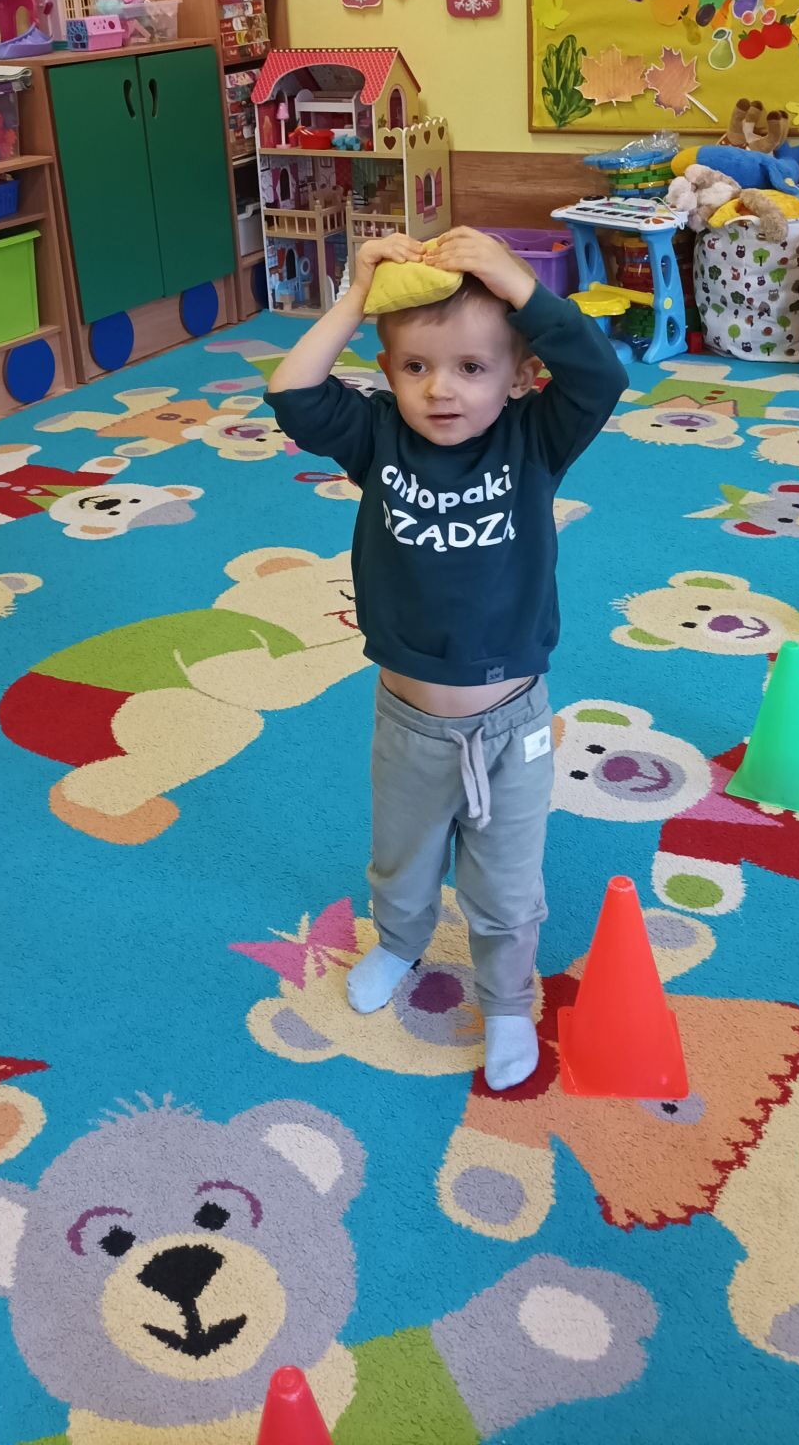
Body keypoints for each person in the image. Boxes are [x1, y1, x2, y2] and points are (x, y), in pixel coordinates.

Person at [267, 227, 626, 1088]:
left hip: (512, 725)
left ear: (520, 376)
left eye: (472, 367)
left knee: (506, 883)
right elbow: (292, 392)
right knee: (402, 859)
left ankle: (504, 1000)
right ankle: (399, 944)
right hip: (408, 722)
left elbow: (601, 377)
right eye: (416, 367)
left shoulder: (536, 438)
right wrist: (355, 298)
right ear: (387, 373)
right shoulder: (377, 436)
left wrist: (517, 285)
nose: (441, 389)